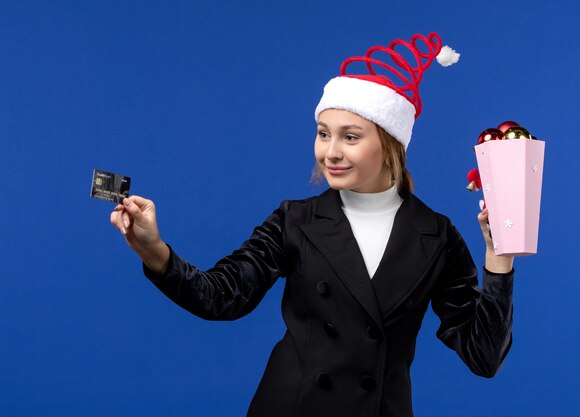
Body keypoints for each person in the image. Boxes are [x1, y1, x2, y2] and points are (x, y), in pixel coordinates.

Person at [110, 32, 514, 417]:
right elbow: (222, 296)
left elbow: (483, 356)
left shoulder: (436, 236)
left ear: (391, 145)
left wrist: (498, 259)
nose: (330, 152)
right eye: (323, 134)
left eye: (350, 137)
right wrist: (155, 251)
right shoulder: (296, 219)